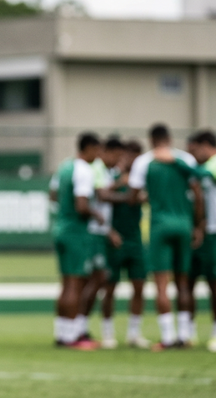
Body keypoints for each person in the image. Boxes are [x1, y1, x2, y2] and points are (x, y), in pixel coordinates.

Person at [158, 130, 216, 352]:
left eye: (194, 151)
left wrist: (175, 161)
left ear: (205, 145)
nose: (194, 157)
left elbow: (200, 173)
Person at [128, 123, 203, 351]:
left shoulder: (144, 162)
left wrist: (148, 197)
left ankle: (168, 337)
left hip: (160, 226)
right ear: (169, 139)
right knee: (183, 284)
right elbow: (198, 195)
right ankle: (185, 334)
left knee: (161, 286)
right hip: (184, 224)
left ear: (152, 140)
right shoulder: (186, 160)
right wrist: (198, 226)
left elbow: (133, 196)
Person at [51, 132, 104, 350]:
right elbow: (82, 205)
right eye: (97, 150)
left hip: (61, 228)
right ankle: (73, 337)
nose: (99, 155)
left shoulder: (65, 167)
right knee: (75, 284)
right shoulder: (84, 170)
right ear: (89, 148)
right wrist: (96, 214)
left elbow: (52, 195)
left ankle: (62, 334)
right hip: (76, 232)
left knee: (65, 285)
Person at [100, 139, 151, 349]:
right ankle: (107, 333)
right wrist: (109, 231)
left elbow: (146, 198)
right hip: (115, 239)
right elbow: (101, 197)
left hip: (135, 239)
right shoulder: (110, 176)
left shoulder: (141, 179)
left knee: (139, 286)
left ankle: (133, 332)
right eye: (129, 155)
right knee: (110, 288)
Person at [75, 137, 124, 346]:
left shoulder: (102, 171)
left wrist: (109, 230)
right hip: (92, 234)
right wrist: (126, 191)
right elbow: (101, 195)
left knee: (97, 280)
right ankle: (79, 329)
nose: (119, 160)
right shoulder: (94, 169)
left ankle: (81, 328)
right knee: (91, 280)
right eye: (117, 156)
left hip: (100, 233)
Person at [184, 133, 216, 346]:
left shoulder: (212, 171)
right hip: (188, 239)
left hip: (209, 239)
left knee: (214, 284)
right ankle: (188, 331)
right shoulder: (188, 178)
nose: (192, 155)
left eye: (194, 150)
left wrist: (202, 227)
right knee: (187, 284)